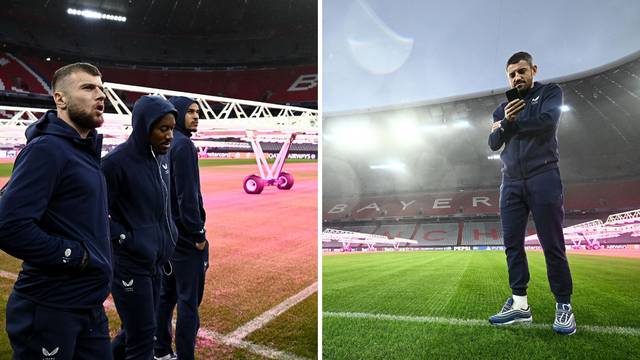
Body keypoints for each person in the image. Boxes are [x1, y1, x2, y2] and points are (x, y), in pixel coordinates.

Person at [0, 63, 113, 358]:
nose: (100, 95)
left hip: (88, 306)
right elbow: (8, 225)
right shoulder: (46, 150)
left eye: (101, 88)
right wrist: (75, 255)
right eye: (88, 88)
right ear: (60, 99)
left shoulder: (82, 151)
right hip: (51, 307)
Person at [488, 51, 576, 335]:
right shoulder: (501, 108)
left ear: (533, 70)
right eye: (512, 74)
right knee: (512, 245)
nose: (518, 77)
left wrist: (511, 124)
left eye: (522, 71)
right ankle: (520, 304)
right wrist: (503, 125)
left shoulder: (550, 93)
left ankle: (563, 305)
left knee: (552, 243)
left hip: (543, 175)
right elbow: (492, 142)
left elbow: (547, 124)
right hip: (510, 181)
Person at [102, 95, 179, 359]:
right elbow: (97, 215)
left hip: (156, 262)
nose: (170, 136)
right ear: (145, 127)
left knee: (135, 332)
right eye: (163, 129)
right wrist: (126, 238)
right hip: (130, 265)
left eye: (172, 129)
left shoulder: (163, 158)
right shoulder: (115, 163)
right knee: (143, 337)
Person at [154, 97, 208, 360]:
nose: (196, 116)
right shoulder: (184, 144)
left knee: (166, 297)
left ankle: (161, 350)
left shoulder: (163, 142)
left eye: (198, 112)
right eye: (190, 112)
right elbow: (187, 196)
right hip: (186, 239)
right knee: (188, 302)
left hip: (167, 237)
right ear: (177, 115)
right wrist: (197, 234)